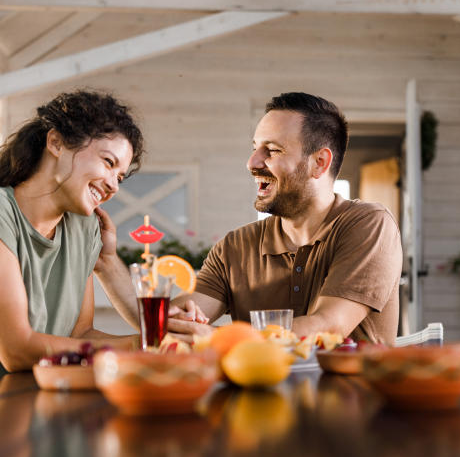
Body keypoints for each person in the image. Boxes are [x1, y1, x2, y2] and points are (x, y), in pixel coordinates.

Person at [0, 89, 143, 383]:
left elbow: (81, 335)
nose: (114, 186)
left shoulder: (82, 229)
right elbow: (16, 349)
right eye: (109, 163)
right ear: (56, 143)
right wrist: (142, 346)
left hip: (40, 408)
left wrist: (153, 341)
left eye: (120, 177)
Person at [169, 92, 402, 345]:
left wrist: (215, 337)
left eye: (272, 150)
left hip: (351, 385)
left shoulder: (369, 224)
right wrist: (116, 262)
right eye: (254, 148)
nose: (252, 162)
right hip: (254, 385)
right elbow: (175, 321)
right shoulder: (235, 246)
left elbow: (328, 326)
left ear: (319, 163)